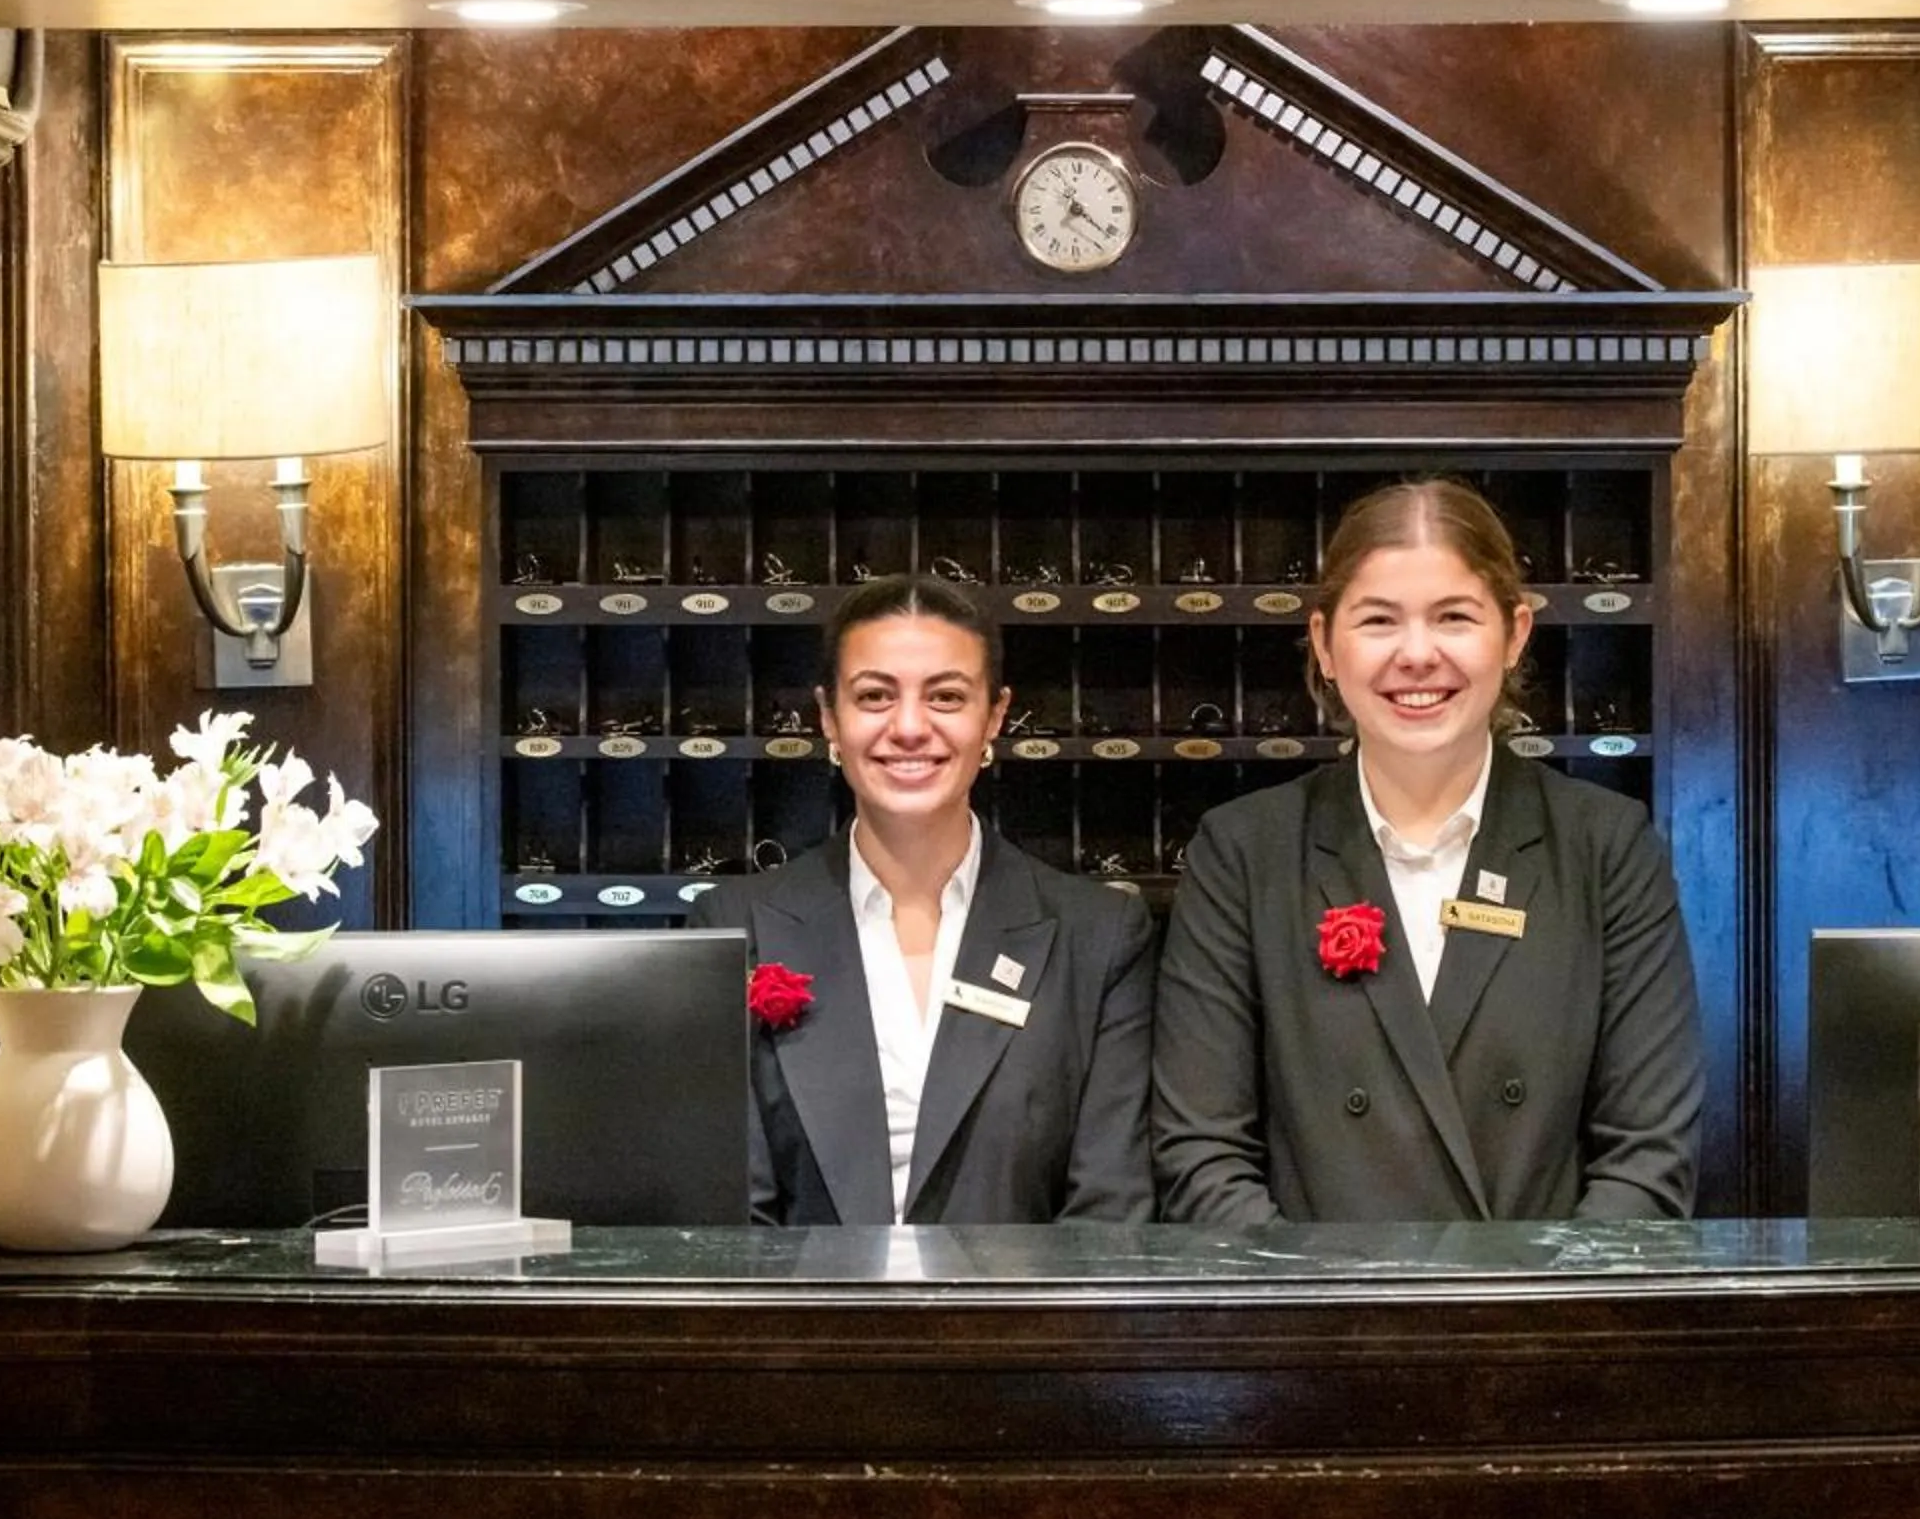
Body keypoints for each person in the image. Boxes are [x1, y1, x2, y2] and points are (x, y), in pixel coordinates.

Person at [1151, 478, 1705, 1224]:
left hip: (1539, 1326)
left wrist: (1532, 1330)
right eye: (1379, 620)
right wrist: (1330, 1324)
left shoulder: (1607, 849)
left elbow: (1648, 1157)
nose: (1417, 655)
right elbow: (1200, 1156)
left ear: (1514, 634)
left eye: (1454, 617)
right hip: (1313, 1324)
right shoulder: (1244, 854)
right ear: (1324, 642)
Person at [693, 574, 1155, 1225]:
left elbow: (1110, 1210)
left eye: (946, 697)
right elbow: (733, 1215)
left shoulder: (1100, 937)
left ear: (994, 715)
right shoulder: (735, 925)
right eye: (875, 696)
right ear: (829, 716)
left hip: (1030, 1325)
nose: (909, 727)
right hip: (801, 1323)